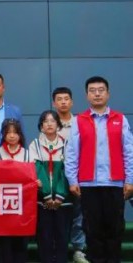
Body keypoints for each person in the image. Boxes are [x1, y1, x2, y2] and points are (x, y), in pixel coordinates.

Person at [65, 76, 133, 263]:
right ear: (87, 95)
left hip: (115, 183)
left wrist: (130, 180)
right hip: (88, 184)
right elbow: (72, 152)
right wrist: (72, 180)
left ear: (108, 94)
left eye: (101, 90)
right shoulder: (79, 120)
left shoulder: (120, 119)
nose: (97, 94)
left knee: (115, 229)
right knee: (92, 230)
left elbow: (129, 151)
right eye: (92, 91)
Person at [30, 110, 72, 263]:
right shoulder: (35, 145)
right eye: (45, 121)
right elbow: (37, 170)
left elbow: (67, 171)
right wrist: (47, 195)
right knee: (44, 235)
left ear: (58, 125)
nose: (49, 124)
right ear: (41, 126)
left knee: (62, 235)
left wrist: (60, 196)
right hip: (43, 200)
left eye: (53, 121)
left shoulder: (66, 145)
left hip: (63, 200)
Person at [52, 87, 88, 263]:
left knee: (79, 213)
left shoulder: (80, 122)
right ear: (54, 103)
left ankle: (78, 249)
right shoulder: (49, 123)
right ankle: (58, 249)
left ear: (72, 102)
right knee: (60, 213)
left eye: (66, 99)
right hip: (57, 176)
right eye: (59, 99)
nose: (63, 102)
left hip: (79, 174)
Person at [0, 118, 29, 263]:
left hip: (22, 204)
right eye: (8, 132)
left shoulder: (27, 153)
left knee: (20, 240)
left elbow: (31, 176)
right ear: (3, 135)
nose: (11, 136)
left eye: (15, 132)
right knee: (5, 241)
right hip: (3, 204)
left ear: (20, 135)